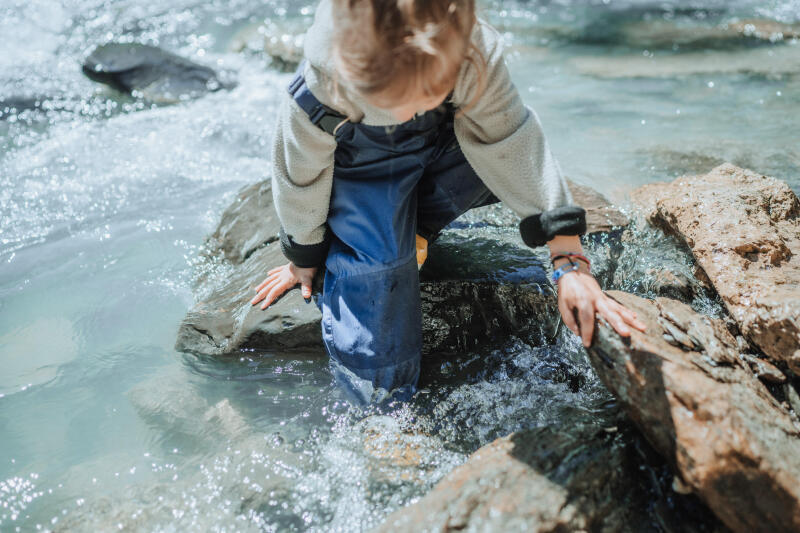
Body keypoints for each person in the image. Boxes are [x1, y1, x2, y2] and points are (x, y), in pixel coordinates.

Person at [250, 0, 645, 404]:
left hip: (445, 143)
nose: (413, 108)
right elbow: (299, 178)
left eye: (427, 93)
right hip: (365, 170)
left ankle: (415, 222)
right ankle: (384, 407)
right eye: (398, 101)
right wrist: (305, 254)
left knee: (504, 162)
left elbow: (512, 141)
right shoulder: (322, 89)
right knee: (377, 278)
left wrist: (569, 261)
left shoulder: (471, 50)